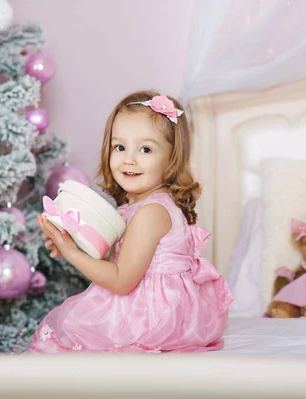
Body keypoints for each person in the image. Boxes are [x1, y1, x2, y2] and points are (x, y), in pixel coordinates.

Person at [25, 90, 233, 353]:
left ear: (171, 160)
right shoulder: (137, 207)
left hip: (158, 316)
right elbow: (118, 263)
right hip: (153, 300)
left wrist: (72, 253)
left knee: (70, 337)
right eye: (119, 147)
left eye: (145, 149)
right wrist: (75, 241)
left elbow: (122, 281)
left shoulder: (152, 212)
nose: (129, 159)